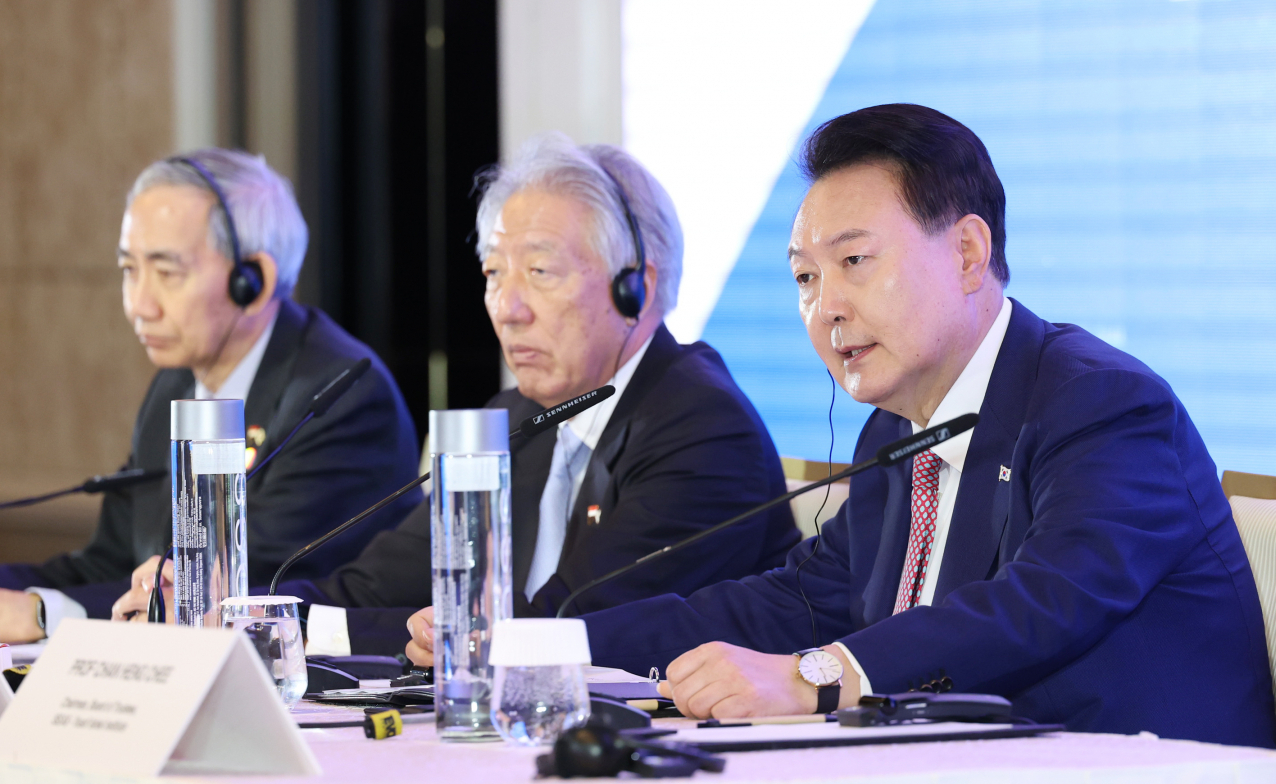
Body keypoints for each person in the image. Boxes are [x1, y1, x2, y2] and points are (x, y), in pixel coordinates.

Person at [406, 106, 1276, 748]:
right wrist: (540, 645)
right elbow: (788, 599)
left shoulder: (1102, 404)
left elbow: (1040, 603)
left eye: (854, 262)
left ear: (968, 254)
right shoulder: (897, 434)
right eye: (804, 279)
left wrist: (816, 676)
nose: (826, 308)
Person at [110, 134, 800, 654]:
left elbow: (556, 633)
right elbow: (373, 585)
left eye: (539, 271)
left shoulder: (704, 430)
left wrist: (291, 630)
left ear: (636, 288)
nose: (508, 306)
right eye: (494, 272)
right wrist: (237, 611)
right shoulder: (513, 418)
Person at [0, 149, 421, 642]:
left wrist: (47, 613)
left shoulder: (340, 397)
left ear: (252, 282)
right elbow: (111, 560)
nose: (139, 304)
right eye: (129, 269)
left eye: (167, 273)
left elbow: (232, 588)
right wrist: (27, 594)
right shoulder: (175, 388)